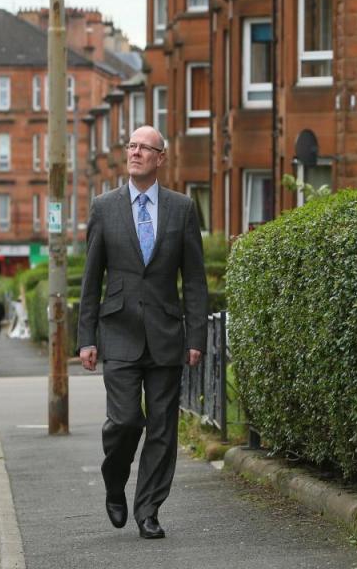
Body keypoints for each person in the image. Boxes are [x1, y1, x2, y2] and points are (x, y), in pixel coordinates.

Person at [77, 125, 208, 540]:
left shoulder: (182, 209)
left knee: (163, 429)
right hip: (118, 332)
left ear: (160, 157)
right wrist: (86, 337)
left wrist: (195, 339)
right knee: (126, 420)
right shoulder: (104, 207)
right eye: (131, 146)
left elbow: (196, 281)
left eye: (144, 148)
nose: (134, 152)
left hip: (167, 335)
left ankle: (148, 509)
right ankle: (115, 481)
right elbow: (91, 277)